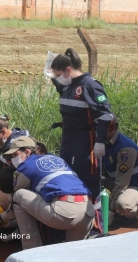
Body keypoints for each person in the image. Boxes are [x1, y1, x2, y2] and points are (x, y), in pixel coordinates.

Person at [0, 136, 94, 250]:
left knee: (19, 195)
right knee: (71, 255)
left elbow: (15, 204)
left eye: (15, 155)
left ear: (27, 152)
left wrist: (0, 217)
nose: (13, 159)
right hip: (88, 212)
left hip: (64, 214)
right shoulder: (56, 159)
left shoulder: (25, 167)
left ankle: (31, 253)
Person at [50, 47, 116, 200]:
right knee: (69, 177)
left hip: (86, 143)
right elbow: (59, 84)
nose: (56, 78)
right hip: (68, 140)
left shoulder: (90, 86)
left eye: (58, 75)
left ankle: (95, 220)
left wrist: (100, 142)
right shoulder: (67, 85)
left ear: (68, 69)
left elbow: (105, 115)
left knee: (87, 181)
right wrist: (53, 73)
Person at [104, 116, 138, 226]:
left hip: (133, 184)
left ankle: (132, 215)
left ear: (111, 128)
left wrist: (110, 212)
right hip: (121, 181)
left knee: (124, 204)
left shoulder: (124, 149)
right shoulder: (105, 142)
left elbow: (121, 184)